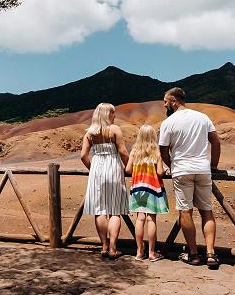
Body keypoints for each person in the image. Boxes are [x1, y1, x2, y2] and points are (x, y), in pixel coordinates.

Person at [158, 86, 222, 269]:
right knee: (206, 211)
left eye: (165, 102)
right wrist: (213, 165)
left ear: (174, 101)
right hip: (203, 169)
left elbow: (163, 150)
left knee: (185, 212)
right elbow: (215, 141)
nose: (164, 106)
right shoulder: (202, 117)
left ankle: (193, 254)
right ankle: (211, 254)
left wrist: (172, 166)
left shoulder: (168, 123)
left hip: (181, 170)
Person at [80, 102, 130, 258]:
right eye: (113, 113)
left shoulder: (89, 132)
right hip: (114, 168)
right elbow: (123, 152)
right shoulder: (114, 129)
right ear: (108, 114)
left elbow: (83, 156)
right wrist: (129, 168)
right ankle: (113, 248)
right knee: (115, 210)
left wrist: (93, 169)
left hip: (97, 169)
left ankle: (104, 246)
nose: (115, 116)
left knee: (99, 210)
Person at [126, 124, 169, 261]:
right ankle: (151, 253)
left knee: (140, 218)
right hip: (152, 188)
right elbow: (160, 172)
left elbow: (127, 170)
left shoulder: (134, 151)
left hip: (138, 188)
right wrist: (165, 170)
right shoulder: (156, 153)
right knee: (151, 219)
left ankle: (139, 252)